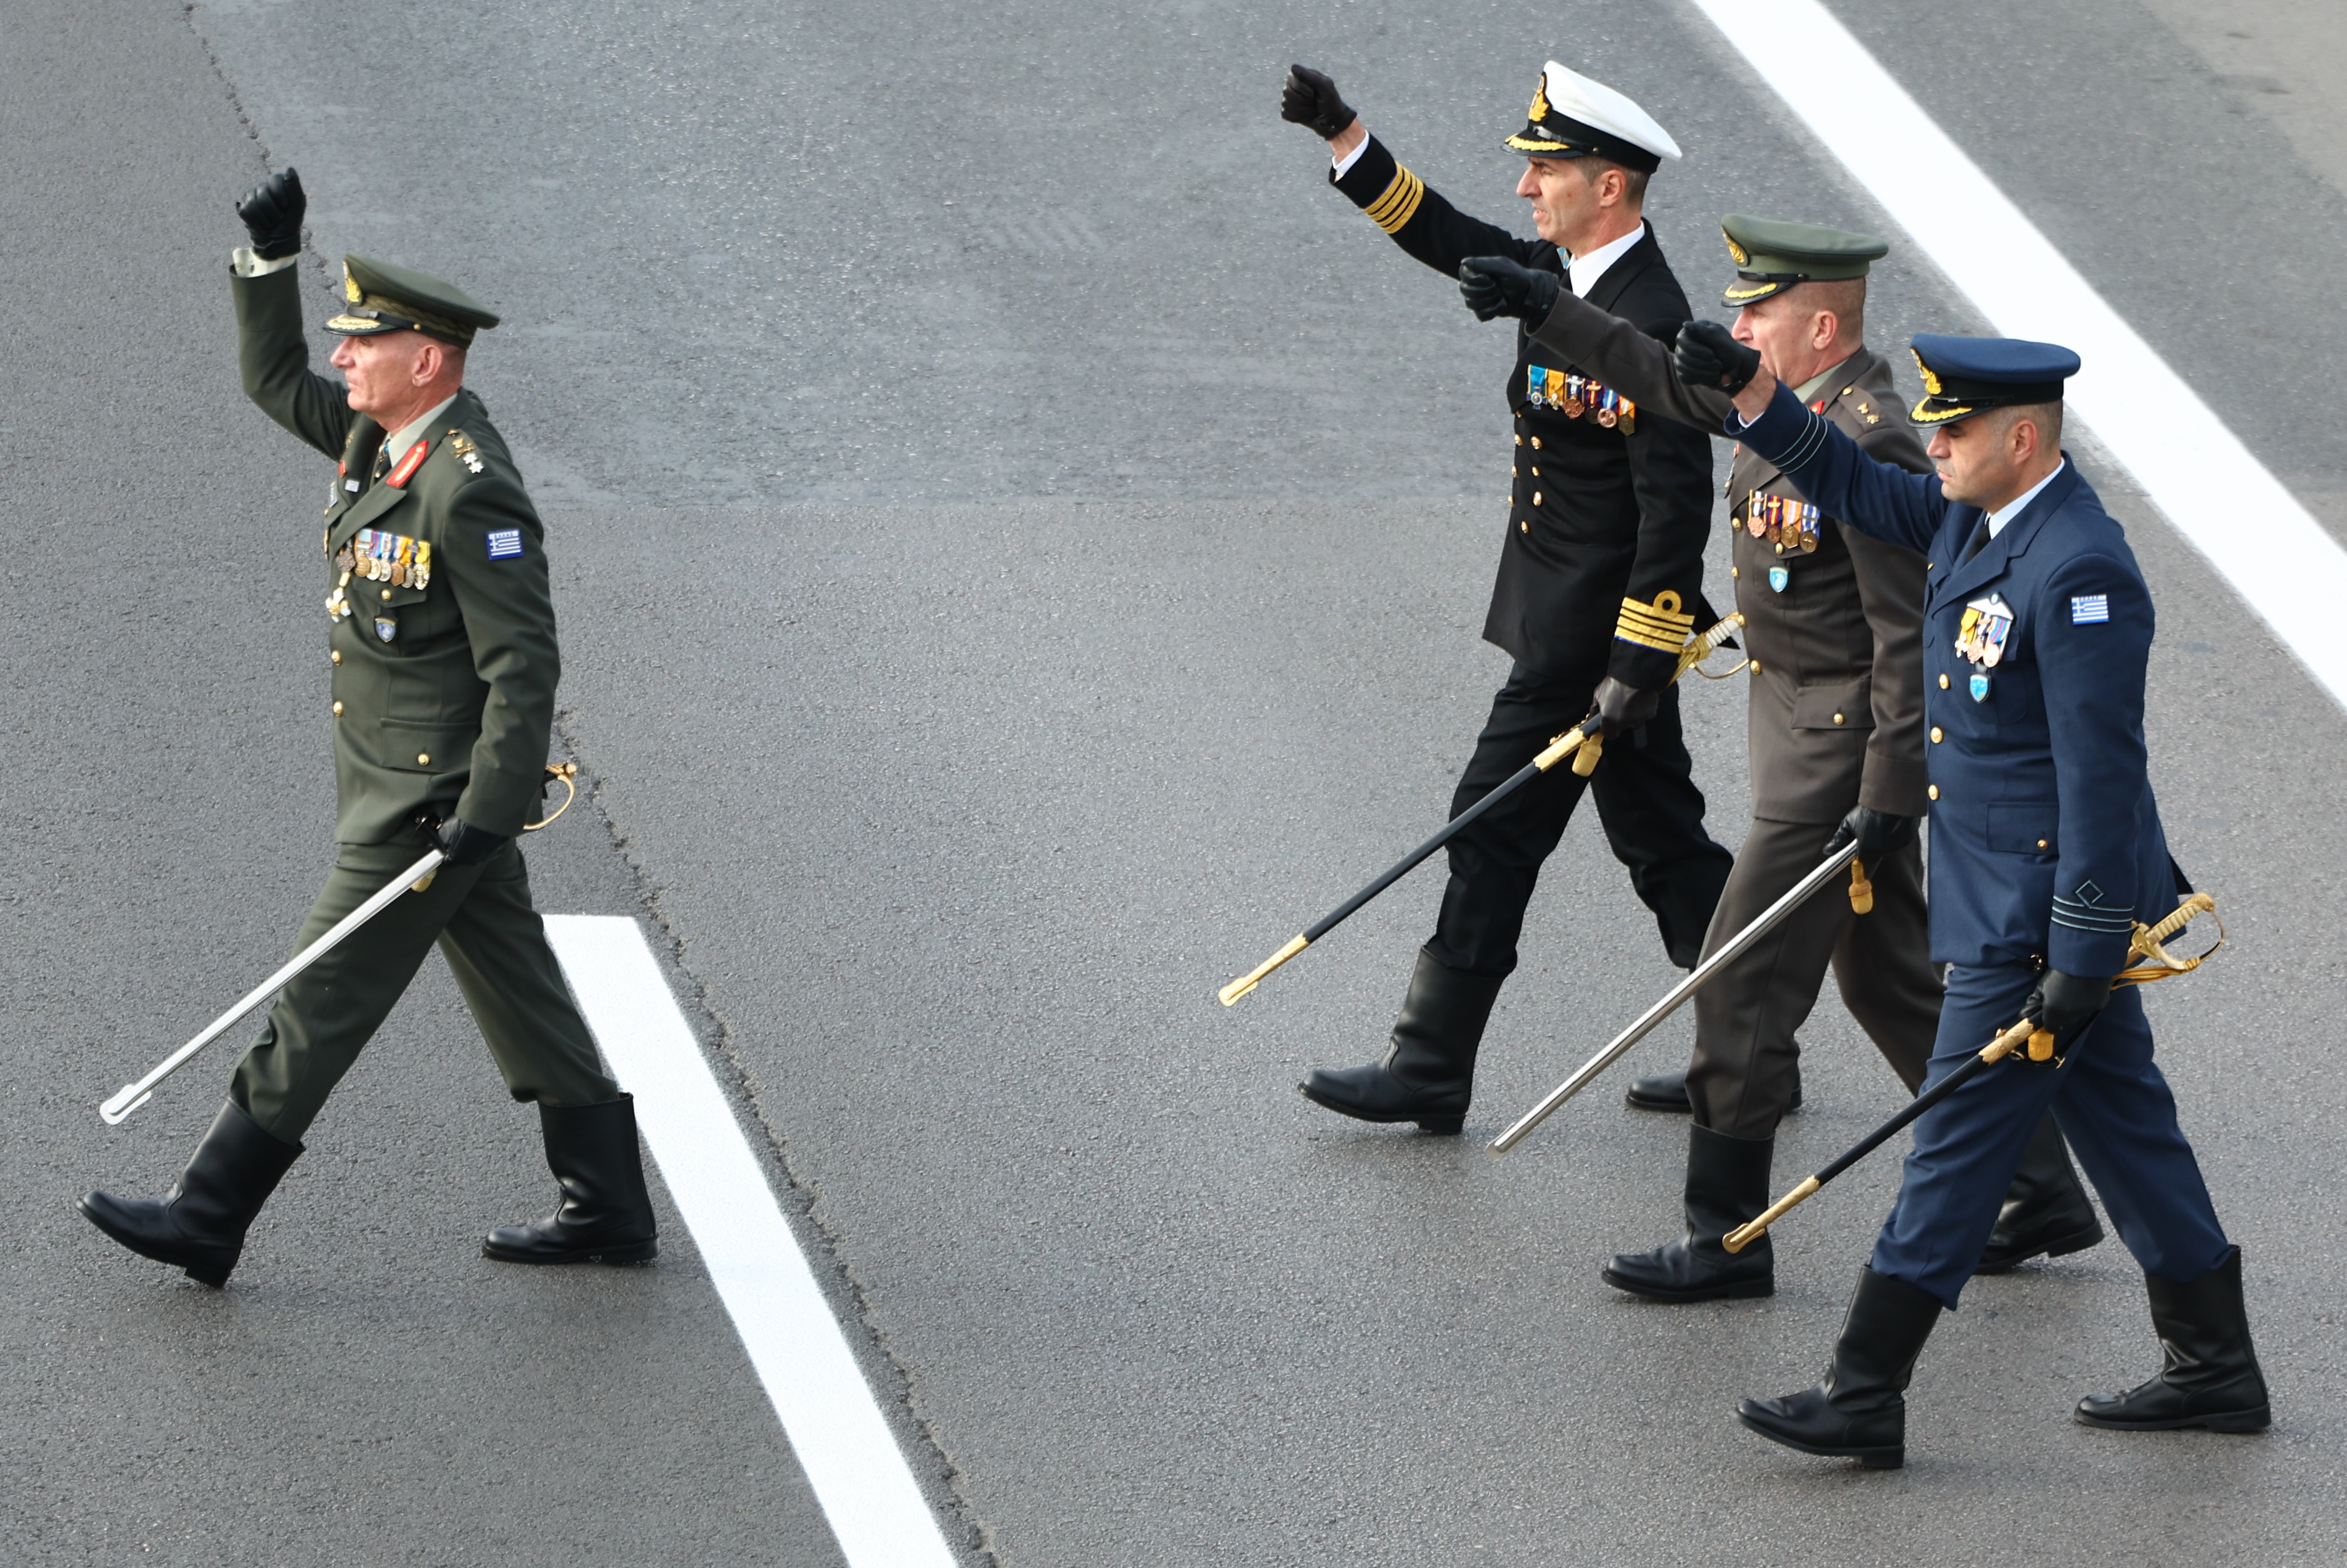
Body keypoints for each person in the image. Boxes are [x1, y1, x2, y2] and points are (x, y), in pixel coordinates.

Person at [1456, 220, 2100, 1300]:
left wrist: (1891, 794)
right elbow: (1661, 383)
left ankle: (1725, 1238)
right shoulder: (1786, 409)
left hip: (1844, 758)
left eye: (1756, 313)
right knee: (1896, 982)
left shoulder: (1873, 437)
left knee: (1738, 979)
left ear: (1817, 325)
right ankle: (2037, 1185)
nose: (1735, 327)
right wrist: (1546, 307)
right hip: (1803, 734)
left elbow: (1912, 635)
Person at [1673, 323, 2267, 1465]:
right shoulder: (1974, 517)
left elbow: (2102, 780)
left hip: (2037, 917)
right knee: (2128, 1127)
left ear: (2024, 437)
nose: (1932, 444)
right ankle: (2217, 1364)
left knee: (1949, 1143)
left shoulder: (2080, 568)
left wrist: (2081, 957)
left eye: (1953, 430)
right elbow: (1849, 477)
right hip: (2009, 896)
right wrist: (1755, 393)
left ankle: (1864, 1390)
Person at [78, 168, 656, 1287]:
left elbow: (522, 665)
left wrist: (482, 818)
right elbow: (273, 375)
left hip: (426, 803)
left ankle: (209, 1214)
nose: (343, 358)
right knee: (516, 983)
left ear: (426, 361)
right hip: (402, 787)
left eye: (365, 342)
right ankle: (609, 1202)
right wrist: (273, 259)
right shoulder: (377, 440)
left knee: (318, 1000)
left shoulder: (468, 488)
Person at [1281, 60, 1733, 1134]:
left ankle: (1431, 1063)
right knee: (1665, 842)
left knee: (1488, 829)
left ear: (1610, 185)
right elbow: (1442, 233)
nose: (1530, 191)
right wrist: (1347, 135)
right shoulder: (1565, 275)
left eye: (1549, 171)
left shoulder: (1653, 321)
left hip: (1591, 646)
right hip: (1571, 624)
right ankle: (1754, 1041)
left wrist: (1633, 667)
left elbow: (1675, 515)